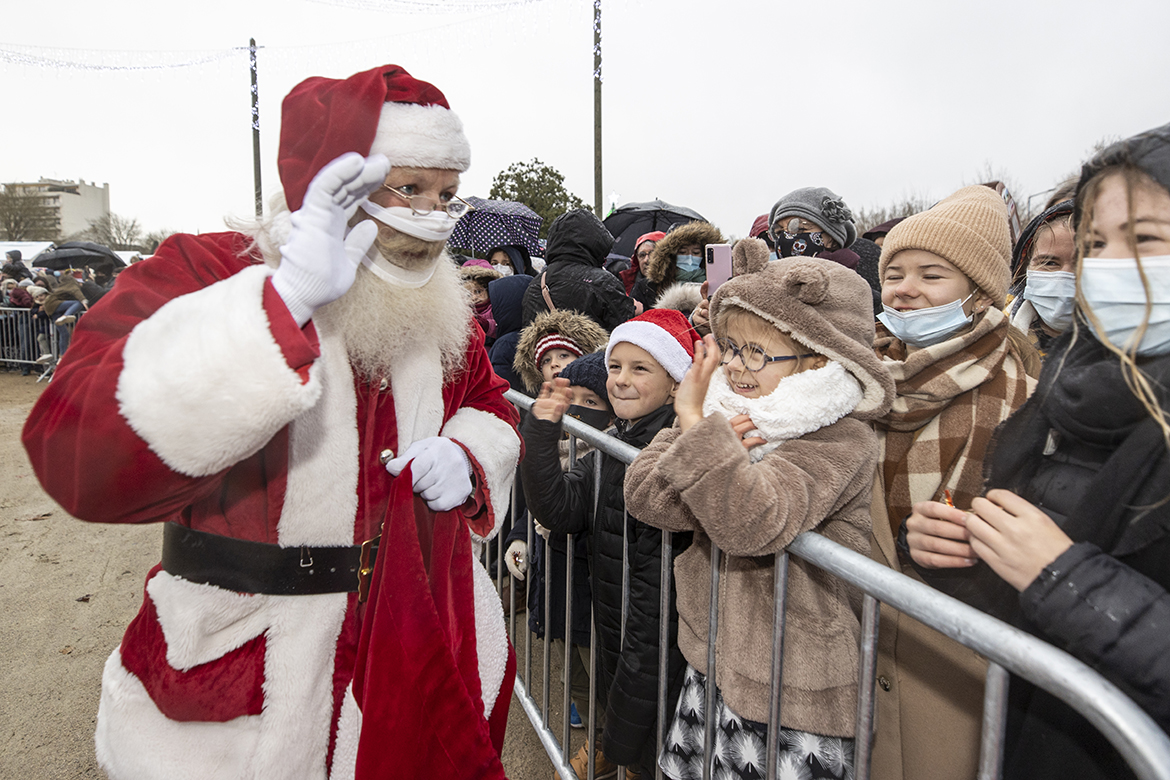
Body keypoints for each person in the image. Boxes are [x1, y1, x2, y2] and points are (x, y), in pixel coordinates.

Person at [21, 64, 523, 780]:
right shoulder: (205, 271)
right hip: (242, 662)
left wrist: (468, 457)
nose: (434, 214)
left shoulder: (443, 309)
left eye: (447, 193)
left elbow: (489, 402)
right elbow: (77, 452)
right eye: (409, 189)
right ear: (330, 177)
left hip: (407, 648)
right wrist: (277, 308)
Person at [904, 122, 1170, 780]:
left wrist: (1063, 576)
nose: (1106, 267)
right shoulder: (1067, 400)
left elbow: (1067, 581)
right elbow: (1035, 607)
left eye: (1144, 240)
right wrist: (963, 559)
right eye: (1097, 243)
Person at [626, 247, 895, 780]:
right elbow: (646, 496)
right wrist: (699, 431)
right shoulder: (726, 415)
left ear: (817, 359)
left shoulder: (839, 437)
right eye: (731, 349)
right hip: (714, 668)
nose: (733, 367)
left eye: (756, 353)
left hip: (795, 693)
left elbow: (754, 522)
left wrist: (696, 428)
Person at [868, 185, 1038, 780]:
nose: (905, 289)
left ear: (977, 291)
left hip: (951, 652)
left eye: (931, 275)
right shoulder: (869, 372)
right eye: (894, 273)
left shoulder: (1013, 393)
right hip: (863, 632)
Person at [522, 308, 699, 779]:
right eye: (614, 367)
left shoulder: (671, 451)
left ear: (677, 383)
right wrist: (541, 431)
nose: (620, 381)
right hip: (619, 637)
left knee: (652, 755)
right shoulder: (616, 442)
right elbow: (559, 510)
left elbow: (654, 607)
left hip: (657, 658)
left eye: (640, 369)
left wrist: (621, 724)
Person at [505, 350, 613, 736]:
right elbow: (533, 505)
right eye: (575, 401)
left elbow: (559, 504)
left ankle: (610, 755)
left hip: (592, 599)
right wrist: (520, 537)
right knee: (577, 679)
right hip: (560, 591)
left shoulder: (606, 462)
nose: (581, 411)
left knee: (602, 685)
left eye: (592, 401)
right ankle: (596, 749)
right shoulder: (559, 449)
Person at [522, 209, 636, 332]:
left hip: (545, 350)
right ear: (596, 241)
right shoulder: (604, 282)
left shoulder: (536, 284)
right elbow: (624, 332)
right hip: (594, 350)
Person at [1008, 200, 1076, 358]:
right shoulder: (990, 337)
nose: (1065, 275)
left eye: (1080, 263)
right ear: (1027, 266)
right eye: (1049, 263)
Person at [631, 221, 724, 313]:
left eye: (696, 253)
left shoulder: (716, 284)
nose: (689, 258)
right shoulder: (648, 287)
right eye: (682, 252)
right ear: (671, 255)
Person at [619, 230, 665, 296]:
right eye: (642, 255)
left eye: (652, 254)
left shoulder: (678, 284)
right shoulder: (625, 287)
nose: (646, 260)